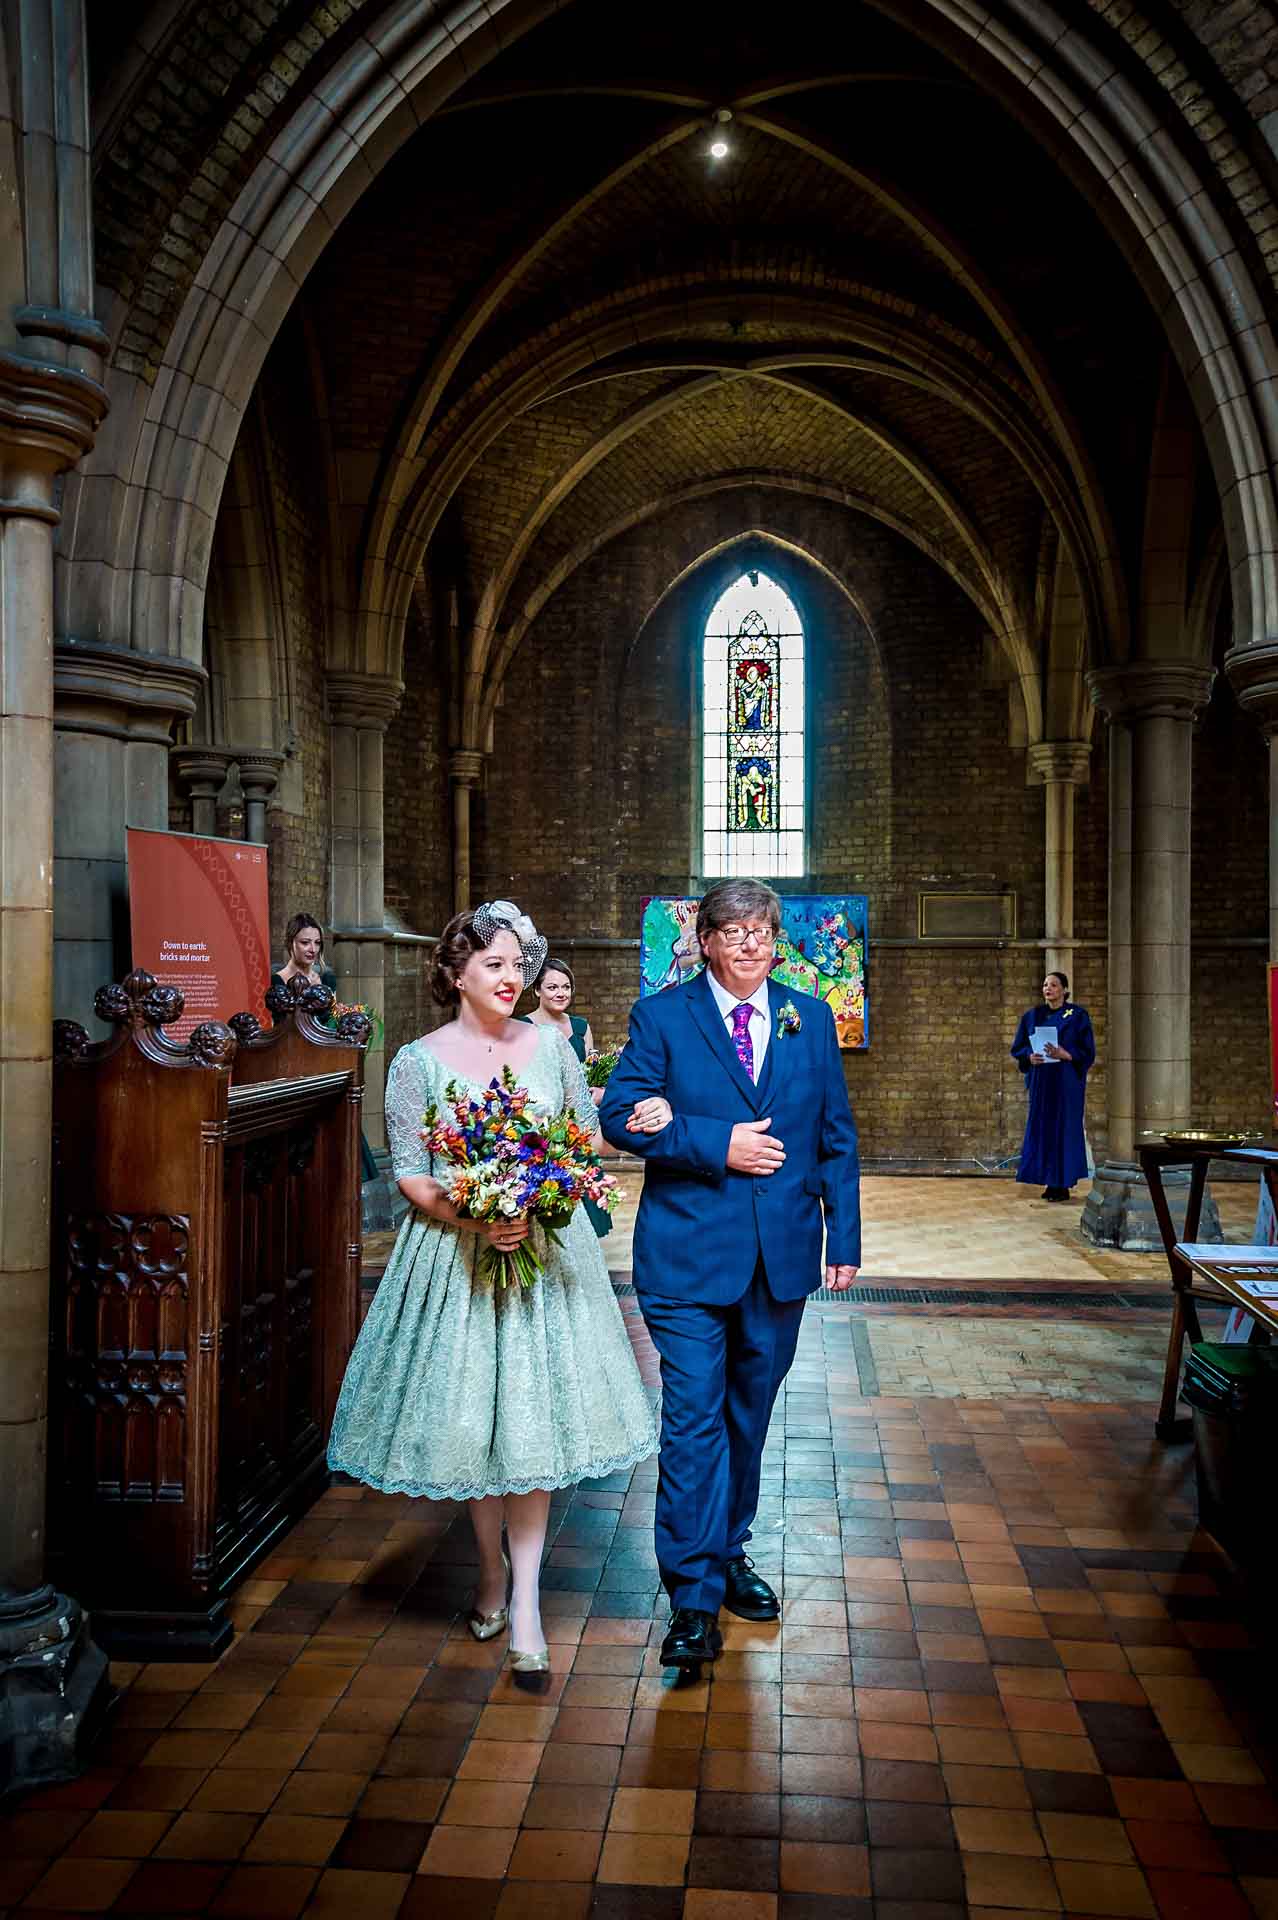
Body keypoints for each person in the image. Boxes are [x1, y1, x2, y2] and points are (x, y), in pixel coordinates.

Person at [327, 901, 665, 1676]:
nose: (513, 978)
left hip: (546, 1263)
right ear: (455, 975)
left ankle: (526, 1605)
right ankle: (487, 1572)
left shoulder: (550, 1050)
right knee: (477, 1431)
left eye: (519, 964)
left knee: (533, 1430)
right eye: (495, 965)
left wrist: (647, 1119)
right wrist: (476, 1217)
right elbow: (412, 1169)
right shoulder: (418, 1059)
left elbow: (584, 1139)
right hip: (456, 1262)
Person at [599, 877, 862, 1673]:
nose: (749, 941)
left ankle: (729, 1551)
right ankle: (691, 1594)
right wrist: (717, 1143)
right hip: (685, 1259)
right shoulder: (662, 1018)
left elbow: (836, 1135)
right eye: (733, 929)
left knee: (748, 1415)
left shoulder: (809, 1018)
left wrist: (841, 1237)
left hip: (780, 1257)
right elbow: (619, 1114)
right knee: (693, 1420)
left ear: (773, 941)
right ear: (706, 941)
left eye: (761, 930)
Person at [271, 913, 376, 1181]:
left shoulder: (326, 979)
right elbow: (278, 1028)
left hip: (326, 1059)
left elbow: (332, 1019)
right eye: (305, 942)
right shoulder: (278, 981)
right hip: (294, 1063)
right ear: (291, 942)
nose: (312, 949)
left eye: (317, 943)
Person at [517, 957, 611, 1238]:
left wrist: (595, 1092)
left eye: (566, 987)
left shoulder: (581, 1028)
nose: (561, 993)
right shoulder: (522, 1027)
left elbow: (589, 1074)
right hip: (543, 1127)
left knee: (583, 1211)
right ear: (536, 991)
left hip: (578, 1126)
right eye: (552, 987)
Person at [1011, 970, 1096, 1201]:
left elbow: (1088, 1050)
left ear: (1065, 990)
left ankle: (1063, 1183)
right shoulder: (1032, 1016)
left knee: (1065, 1129)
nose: (1048, 989)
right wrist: (1029, 1056)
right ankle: (1049, 1181)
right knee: (1044, 1129)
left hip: (1066, 1083)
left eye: (1054, 985)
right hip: (1042, 1083)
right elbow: (1018, 1048)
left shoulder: (1077, 1016)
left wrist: (1066, 1054)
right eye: (1046, 985)